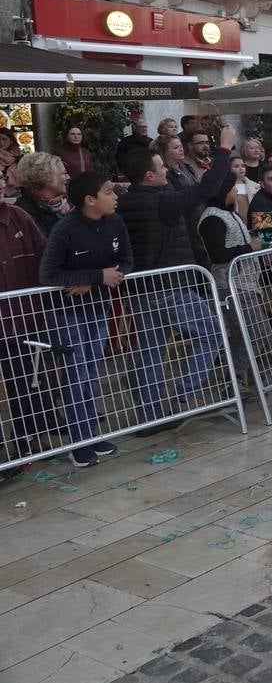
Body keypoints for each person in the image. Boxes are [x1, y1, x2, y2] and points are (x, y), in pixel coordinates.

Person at [119, 132, 235, 427]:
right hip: (170, 287)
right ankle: (184, 393)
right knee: (212, 332)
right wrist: (223, 150)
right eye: (161, 168)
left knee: (149, 352)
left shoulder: (123, 203)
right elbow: (205, 189)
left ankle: (150, 416)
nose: (167, 171)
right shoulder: (162, 202)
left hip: (140, 290)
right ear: (148, 175)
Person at [38, 171, 133, 467]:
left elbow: (127, 260)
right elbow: (49, 275)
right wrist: (95, 276)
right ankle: (79, 442)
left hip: (98, 306)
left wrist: (97, 280)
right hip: (67, 312)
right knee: (77, 372)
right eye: (108, 192)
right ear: (90, 200)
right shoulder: (65, 229)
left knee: (92, 371)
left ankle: (90, 433)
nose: (115, 197)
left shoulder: (115, 222)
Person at [0, 199, 52, 478]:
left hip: (20, 319)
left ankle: (25, 442)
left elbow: (45, 253)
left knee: (24, 383)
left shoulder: (18, 216)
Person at [13, 152, 70, 234]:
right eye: (64, 173)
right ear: (46, 177)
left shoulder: (71, 202)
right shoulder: (24, 212)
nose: (68, 177)